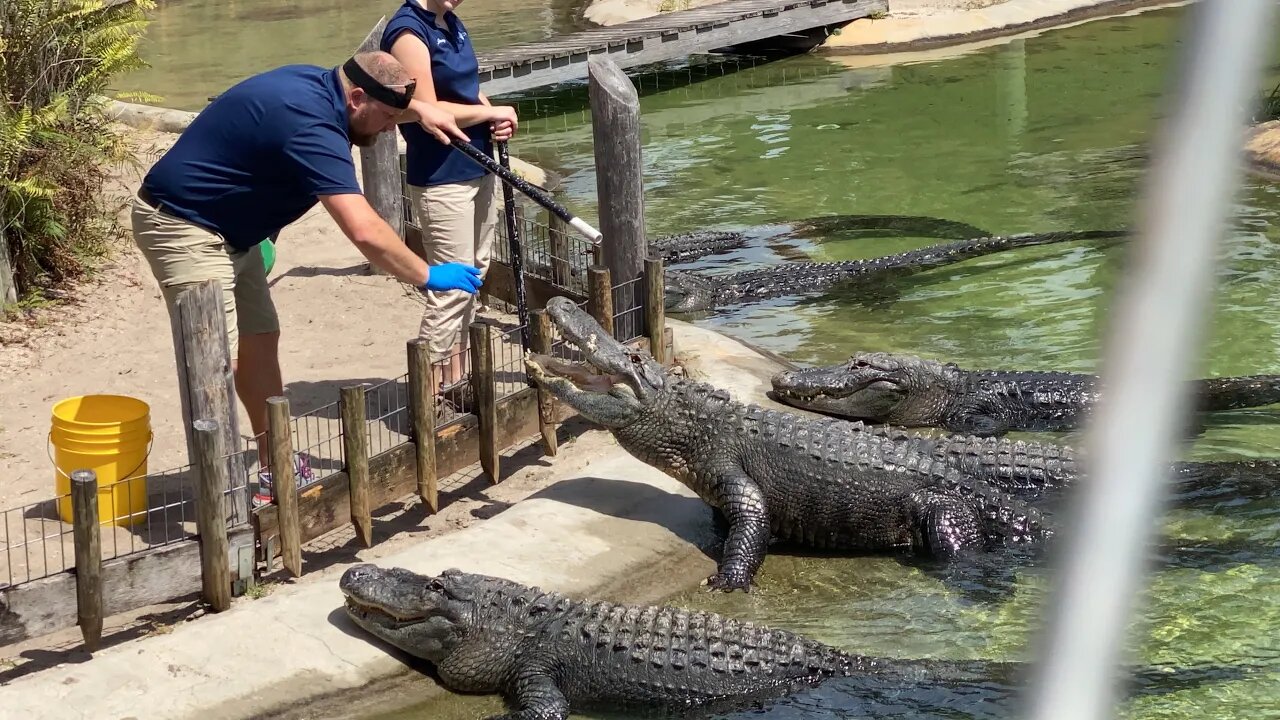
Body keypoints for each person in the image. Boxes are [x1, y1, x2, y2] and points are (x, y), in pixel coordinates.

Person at [131, 51, 482, 506]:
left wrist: (424, 110)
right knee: (217, 360)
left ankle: (275, 461)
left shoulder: (324, 84)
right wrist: (426, 273)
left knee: (261, 339)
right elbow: (363, 229)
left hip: (235, 233)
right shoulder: (313, 127)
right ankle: (224, 498)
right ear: (356, 98)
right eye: (388, 118)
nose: (390, 128)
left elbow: (392, 101)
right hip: (183, 227)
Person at [380, 0, 519, 412]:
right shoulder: (408, 31)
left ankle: (454, 380)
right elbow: (429, 108)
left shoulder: (452, 22)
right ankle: (427, 396)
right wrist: (489, 111)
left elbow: (466, 88)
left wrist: (494, 115)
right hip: (442, 176)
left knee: (474, 274)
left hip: (478, 164)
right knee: (450, 285)